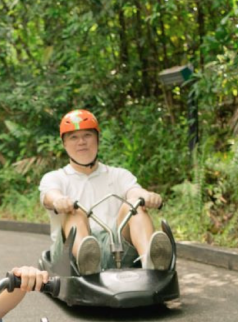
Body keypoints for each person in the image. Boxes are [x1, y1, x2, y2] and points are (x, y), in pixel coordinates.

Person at [40, 109, 172, 275]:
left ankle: (150, 263)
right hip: (70, 258)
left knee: (134, 206)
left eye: (87, 135)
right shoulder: (55, 177)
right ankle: (88, 264)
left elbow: (134, 191)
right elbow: (50, 195)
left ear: (97, 139)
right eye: (73, 137)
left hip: (116, 249)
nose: (81, 142)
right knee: (75, 212)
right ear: (64, 144)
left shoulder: (119, 175)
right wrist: (59, 200)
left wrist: (146, 196)